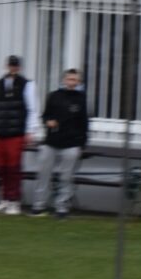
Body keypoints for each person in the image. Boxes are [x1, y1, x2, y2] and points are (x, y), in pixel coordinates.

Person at [31, 68, 89, 219]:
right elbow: (45, 116)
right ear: (64, 80)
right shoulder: (53, 96)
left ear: (78, 82)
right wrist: (48, 122)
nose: (72, 82)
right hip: (51, 142)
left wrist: (82, 145)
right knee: (43, 173)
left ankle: (61, 207)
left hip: (71, 144)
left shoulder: (81, 99)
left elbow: (84, 123)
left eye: (75, 80)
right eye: (69, 79)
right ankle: (38, 206)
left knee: (66, 177)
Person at [0, 55, 39, 215]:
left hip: (16, 132)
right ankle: (5, 199)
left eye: (15, 65)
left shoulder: (27, 84)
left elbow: (32, 109)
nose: (13, 68)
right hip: (0, 131)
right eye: (11, 65)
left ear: (19, 67)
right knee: (2, 167)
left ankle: (15, 201)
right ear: (7, 66)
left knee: (14, 167)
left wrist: (31, 131)